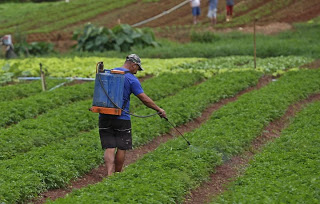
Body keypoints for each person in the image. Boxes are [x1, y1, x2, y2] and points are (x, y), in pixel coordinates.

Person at [99, 54, 167, 176]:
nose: (137, 72)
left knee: (109, 146)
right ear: (133, 65)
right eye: (137, 68)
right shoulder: (131, 79)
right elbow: (144, 98)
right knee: (121, 146)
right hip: (122, 118)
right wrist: (158, 109)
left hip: (104, 115)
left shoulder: (110, 73)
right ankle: (117, 174)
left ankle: (109, 174)